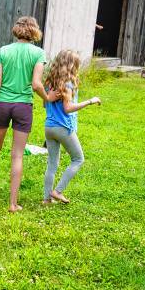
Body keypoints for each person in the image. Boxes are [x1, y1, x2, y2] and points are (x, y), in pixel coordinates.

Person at [0, 16, 51, 212]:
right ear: (34, 31)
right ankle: (12, 204)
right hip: (23, 107)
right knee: (17, 155)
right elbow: (36, 84)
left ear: (16, 30)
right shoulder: (38, 53)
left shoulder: (3, 51)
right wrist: (47, 97)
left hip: (1, 104)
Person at [42, 50, 101, 205]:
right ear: (71, 66)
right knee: (78, 159)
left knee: (52, 164)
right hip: (63, 128)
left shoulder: (48, 83)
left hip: (49, 127)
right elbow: (68, 108)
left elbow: (45, 103)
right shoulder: (68, 84)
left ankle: (46, 199)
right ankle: (57, 191)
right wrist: (90, 101)